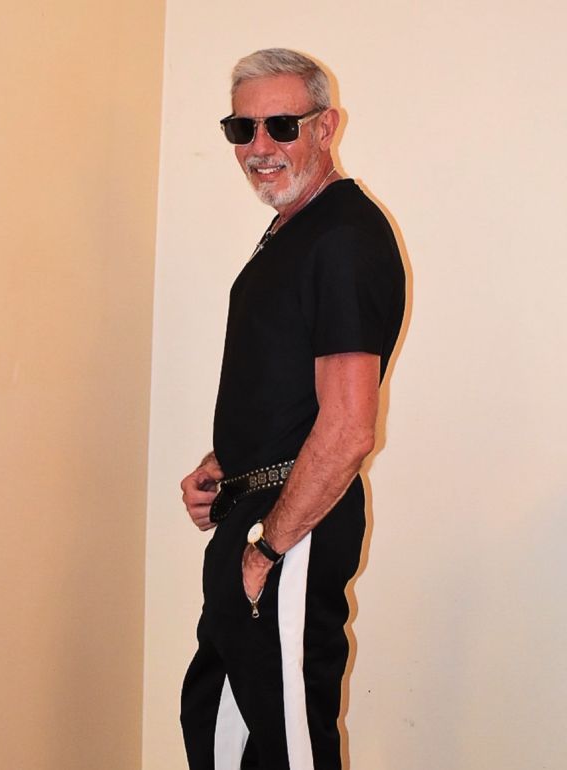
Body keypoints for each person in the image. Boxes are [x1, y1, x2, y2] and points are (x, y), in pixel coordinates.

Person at [180, 48, 405, 770]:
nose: (259, 147)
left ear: (326, 126)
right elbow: (289, 388)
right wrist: (228, 464)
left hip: (292, 530)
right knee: (220, 727)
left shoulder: (343, 238)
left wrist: (268, 551)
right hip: (256, 512)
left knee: (286, 748)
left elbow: (347, 429)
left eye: (281, 125)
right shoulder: (293, 230)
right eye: (241, 129)